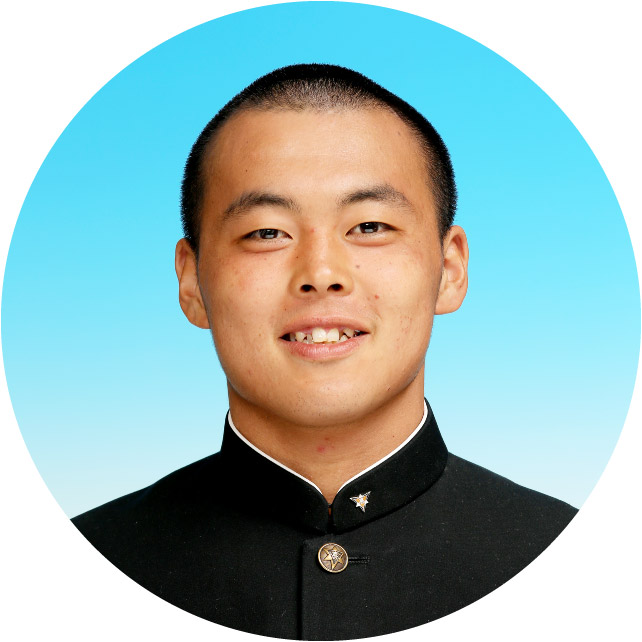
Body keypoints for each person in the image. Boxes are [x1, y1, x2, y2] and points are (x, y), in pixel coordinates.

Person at [72, 64, 577, 640]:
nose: (321, 273)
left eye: (369, 225)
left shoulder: (576, 564)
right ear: (192, 282)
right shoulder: (75, 570)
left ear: (450, 269)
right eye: (267, 233)